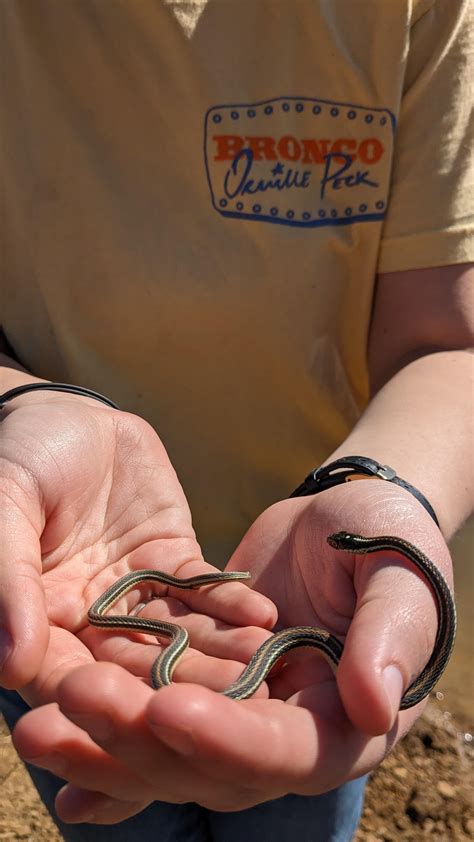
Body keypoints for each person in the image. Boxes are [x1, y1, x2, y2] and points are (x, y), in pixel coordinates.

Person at [0, 1, 472, 840]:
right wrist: (15, 406)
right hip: (50, 577)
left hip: (308, 603)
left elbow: (448, 342)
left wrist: (386, 485)